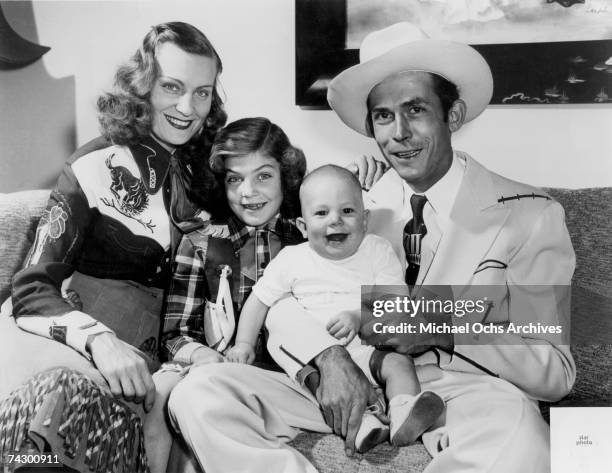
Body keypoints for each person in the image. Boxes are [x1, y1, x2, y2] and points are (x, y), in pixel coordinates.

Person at [168, 22, 576, 473]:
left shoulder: (529, 214)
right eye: (383, 116)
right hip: (343, 379)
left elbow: (554, 368)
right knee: (200, 394)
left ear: (453, 115)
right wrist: (327, 356)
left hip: (461, 392)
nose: (398, 132)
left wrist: (444, 329)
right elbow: (287, 296)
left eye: (415, 109)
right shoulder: (353, 209)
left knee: (521, 443)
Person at [0, 21, 227, 473]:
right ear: (142, 86)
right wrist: (101, 342)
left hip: (156, 368)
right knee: (45, 436)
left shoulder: (217, 172)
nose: (187, 107)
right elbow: (30, 288)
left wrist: (360, 193)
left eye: (202, 92)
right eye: (171, 87)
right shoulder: (93, 163)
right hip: (71, 343)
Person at [226, 164, 445, 452]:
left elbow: (397, 301)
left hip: (371, 352)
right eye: (321, 213)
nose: (335, 221)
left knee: (398, 364)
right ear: (303, 226)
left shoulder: (377, 250)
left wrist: (359, 315)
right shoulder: (292, 259)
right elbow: (260, 300)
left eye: (347, 211)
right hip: (319, 361)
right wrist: (243, 343)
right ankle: (365, 424)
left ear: (365, 219)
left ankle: (405, 409)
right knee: (313, 381)